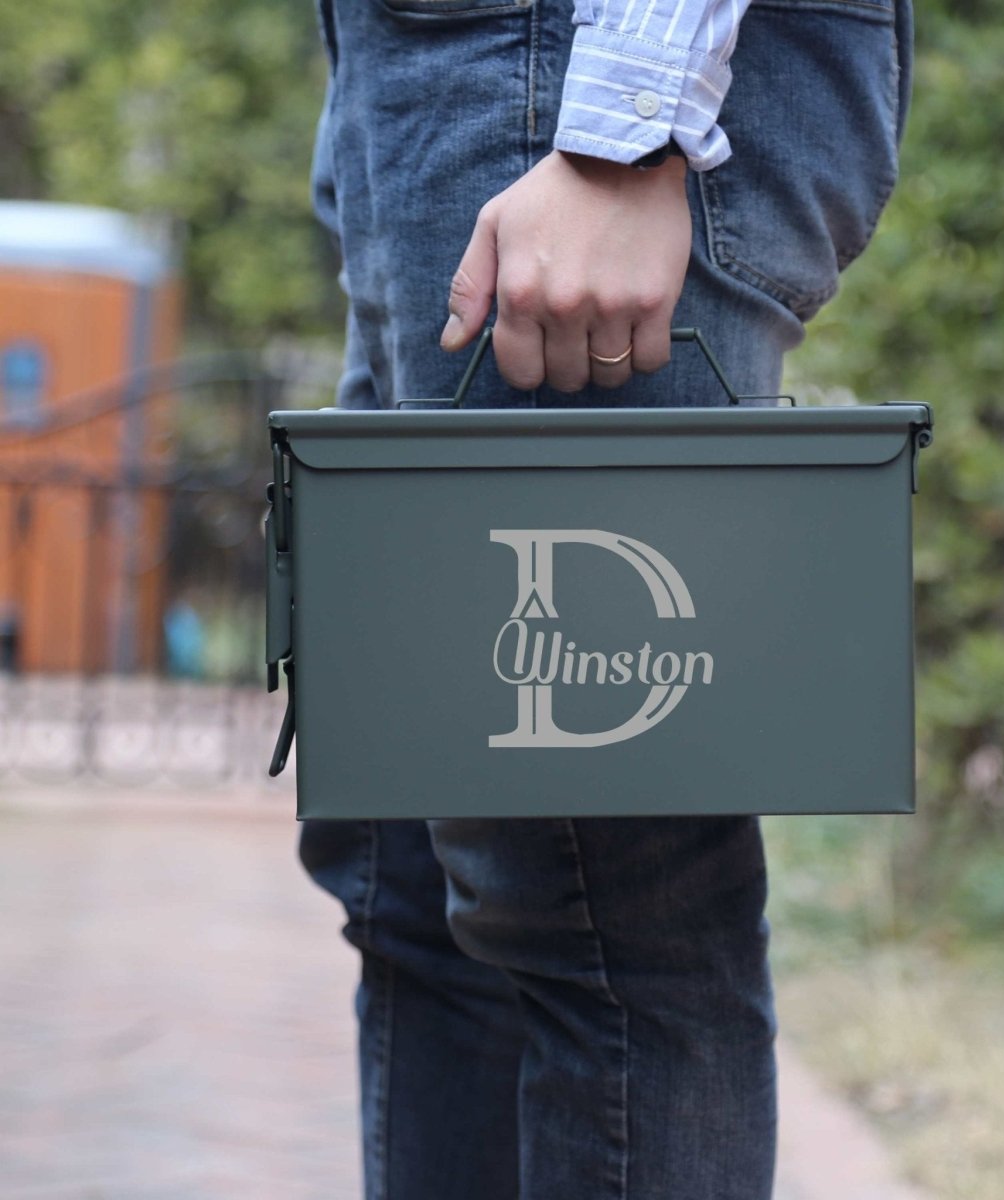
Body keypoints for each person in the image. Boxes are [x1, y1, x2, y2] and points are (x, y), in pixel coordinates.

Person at [298, 0, 912, 1196]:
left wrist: (627, 124)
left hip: (560, 81)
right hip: (430, 91)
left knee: (601, 920)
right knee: (415, 889)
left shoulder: (603, 128)